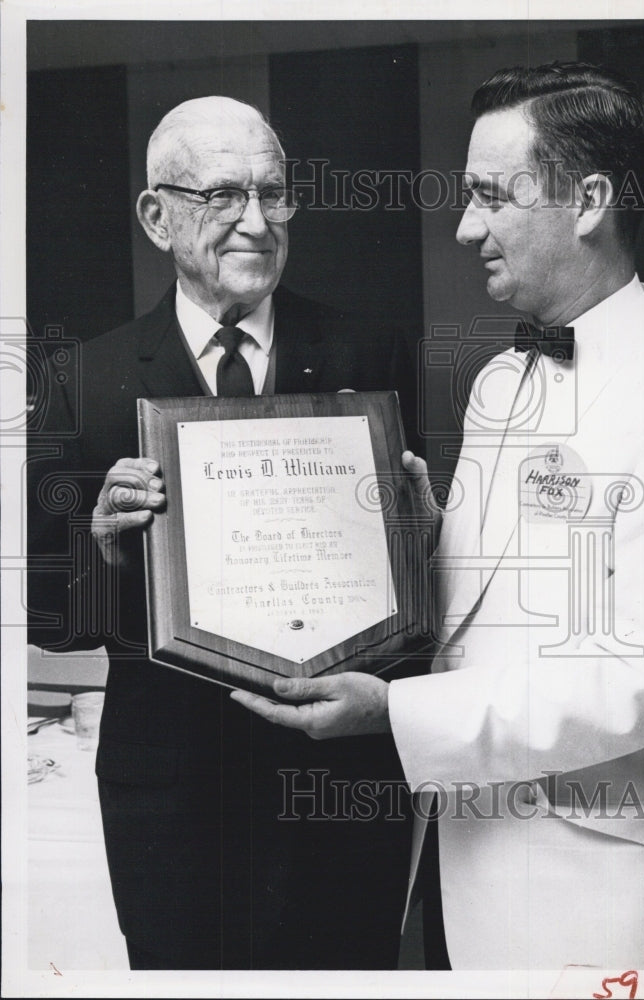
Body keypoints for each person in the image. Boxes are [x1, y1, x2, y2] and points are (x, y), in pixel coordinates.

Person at [231, 63, 644, 970]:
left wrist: (397, 714)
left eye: (489, 199)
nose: (466, 229)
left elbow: (642, 681)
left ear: (588, 201)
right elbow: (489, 604)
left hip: (598, 896)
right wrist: (419, 535)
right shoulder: (502, 383)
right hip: (458, 857)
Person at [27, 96, 416, 970]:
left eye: (274, 194)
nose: (255, 221)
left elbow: (422, 584)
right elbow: (50, 617)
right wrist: (100, 543)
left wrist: (412, 535)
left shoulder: (370, 353)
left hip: (340, 789)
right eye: (222, 196)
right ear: (156, 216)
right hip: (173, 802)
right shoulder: (83, 380)